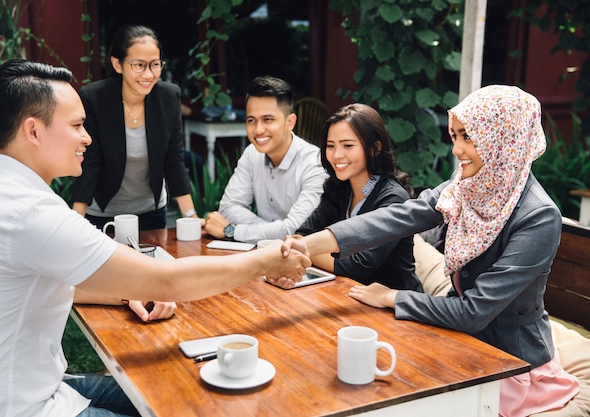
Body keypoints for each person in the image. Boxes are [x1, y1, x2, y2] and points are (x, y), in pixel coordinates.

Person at [0, 59, 309, 417]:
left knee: (177, 389)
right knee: (190, 399)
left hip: (29, 389)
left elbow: (51, 280)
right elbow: (166, 280)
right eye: (77, 125)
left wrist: (127, 292)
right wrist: (266, 260)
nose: (88, 137)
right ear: (33, 131)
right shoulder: (29, 212)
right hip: (19, 408)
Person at [280, 85, 579, 416]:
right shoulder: (466, 185)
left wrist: (390, 297)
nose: (457, 149)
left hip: (511, 361)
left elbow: (474, 311)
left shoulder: (538, 216)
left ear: (503, 138)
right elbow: (399, 217)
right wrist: (307, 243)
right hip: (458, 340)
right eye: (456, 136)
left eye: (470, 137)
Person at [72, 25, 199, 231]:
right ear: (118, 64)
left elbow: (173, 159)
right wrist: (75, 220)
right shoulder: (94, 99)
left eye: (155, 65)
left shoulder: (168, 97)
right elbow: (91, 162)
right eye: (139, 65)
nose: (148, 74)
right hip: (103, 213)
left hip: (151, 211)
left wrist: (191, 217)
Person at [291, 103, 422, 291]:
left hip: (394, 309)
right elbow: (303, 233)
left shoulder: (393, 199)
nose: (337, 155)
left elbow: (358, 267)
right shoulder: (338, 189)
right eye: (330, 146)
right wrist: (306, 245)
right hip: (344, 295)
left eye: (348, 145)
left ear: (374, 148)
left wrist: (305, 249)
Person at [203, 76, 329, 243]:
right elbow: (228, 207)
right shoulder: (252, 154)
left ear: (290, 122)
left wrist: (232, 230)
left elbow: (295, 229)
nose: (258, 130)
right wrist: (272, 231)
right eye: (251, 121)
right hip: (263, 255)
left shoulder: (315, 163)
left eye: (268, 120)